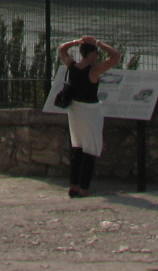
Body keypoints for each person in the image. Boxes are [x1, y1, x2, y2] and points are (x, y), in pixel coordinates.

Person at [58, 34, 122, 197]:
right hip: (90, 111)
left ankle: (74, 185)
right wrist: (98, 42)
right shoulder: (93, 71)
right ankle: (84, 188)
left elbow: (62, 50)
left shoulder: (72, 66)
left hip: (75, 110)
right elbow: (116, 56)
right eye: (95, 53)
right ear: (91, 54)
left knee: (77, 147)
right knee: (90, 149)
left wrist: (75, 42)